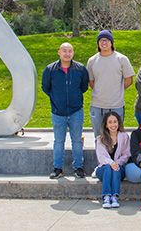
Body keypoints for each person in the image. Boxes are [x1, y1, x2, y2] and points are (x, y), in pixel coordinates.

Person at [41, 42, 90, 179]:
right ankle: (58, 168)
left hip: (76, 111)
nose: (67, 53)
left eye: (70, 51)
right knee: (58, 141)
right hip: (58, 112)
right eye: (64, 51)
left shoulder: (80, 69)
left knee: (77, 140)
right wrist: (57, 98)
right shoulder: (50, 70)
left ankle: (78, 167)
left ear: (73, 53)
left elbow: (84, 86)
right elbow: (46, 87)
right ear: (59, 52)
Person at [87, 30, 135, 140]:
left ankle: (115, 158)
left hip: (116, 106)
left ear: (112, 42)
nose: (104, 43)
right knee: (99, 138)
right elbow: (91, 82)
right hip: (97, 105)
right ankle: (100, 158)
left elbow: (129, 80)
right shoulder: (92, 61)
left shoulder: (122, 59)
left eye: (107, 40)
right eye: (101, 40)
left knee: (116, 137)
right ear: (98, 43)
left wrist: (116, 89)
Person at [94, 111, 130, 209]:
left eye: (115, 121)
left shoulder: (124, 137)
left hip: (119, 169)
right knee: (107, 168)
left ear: (119, 123)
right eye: (110, 122)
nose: (113, 124)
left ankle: (114, 197)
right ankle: (106, 196)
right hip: (103, 170)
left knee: (116, 168)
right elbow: (102, 157)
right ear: (106, 125)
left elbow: (126, 154)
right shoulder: (100, 139)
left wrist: (117, 163)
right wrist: (111, 163)